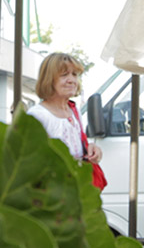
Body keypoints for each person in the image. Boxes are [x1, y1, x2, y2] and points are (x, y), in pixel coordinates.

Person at [26, 51, 106, 188]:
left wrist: (91, 149)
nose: (71, 80)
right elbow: (30, 162)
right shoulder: (37, 115)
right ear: (49, 79)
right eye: (64, 75)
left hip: (77, 187)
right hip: (54, 192)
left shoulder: (73, 111)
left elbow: (77, 146)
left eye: (74, 74)